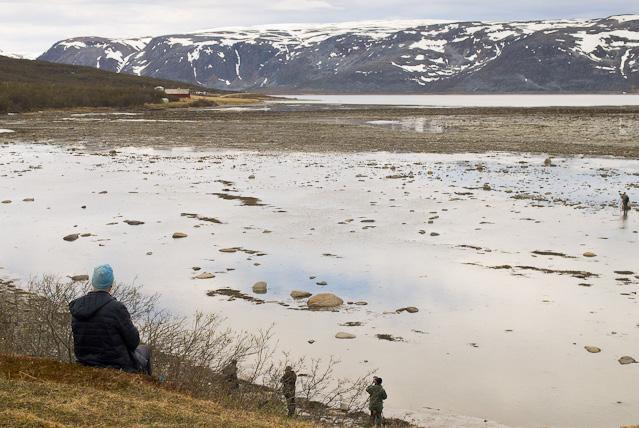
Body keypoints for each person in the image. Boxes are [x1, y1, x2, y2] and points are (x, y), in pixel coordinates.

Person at [69, 264, 152, 375]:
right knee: (145, 349)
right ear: (111, 285)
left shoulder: (77, 306)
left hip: (85, 360)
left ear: (93, 282)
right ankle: (146, 384)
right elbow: (133, 342)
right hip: (115, 364)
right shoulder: (116, 308)